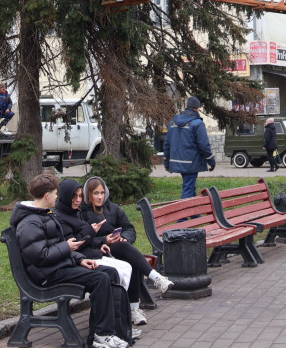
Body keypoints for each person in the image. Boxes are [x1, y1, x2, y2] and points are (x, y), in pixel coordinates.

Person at [11, 174, 133, 348]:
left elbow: (60, 246)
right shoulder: (30, 223)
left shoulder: (44, 215)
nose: (56, 197)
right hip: (48, 275)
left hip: (59, 266)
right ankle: (102, 335)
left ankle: (108, 331)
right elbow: (41, 256)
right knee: (100, 278)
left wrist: (80, 259)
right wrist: (68, 249)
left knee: (109, 272)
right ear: (47, 195)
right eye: (54, 193)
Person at [82, 177, 173, 326]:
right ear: (88, 194)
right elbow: (83, 239)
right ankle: (156, 278)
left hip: (119, 249)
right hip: (99, 252)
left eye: (102, 193)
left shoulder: (113, 208)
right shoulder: (83, 213)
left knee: (131, 259)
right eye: (95, 193)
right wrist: (104, 240)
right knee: (127, 253)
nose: (100, 197)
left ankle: (134, 309)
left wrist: (125, 237)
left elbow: (129, 228)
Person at [163, 96, 215, 199]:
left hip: (178, 162)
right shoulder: (198, 124)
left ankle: (195, 215)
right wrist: (211, 161)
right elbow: (204, 145)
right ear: (197, 108)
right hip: (191, 163)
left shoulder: (172, 123)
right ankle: (183, 215)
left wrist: (166, 163)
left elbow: (167, 145)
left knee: (190, 187)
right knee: (188, 189)